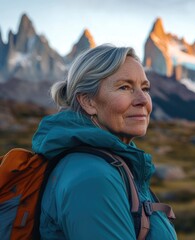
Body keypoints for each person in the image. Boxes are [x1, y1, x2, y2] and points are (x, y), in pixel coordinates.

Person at [32, 44, 177, 239]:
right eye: (124, 87)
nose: (143, 99)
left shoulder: (114, 164)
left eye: (145, 88)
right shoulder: (93, 178)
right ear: (88, 101)